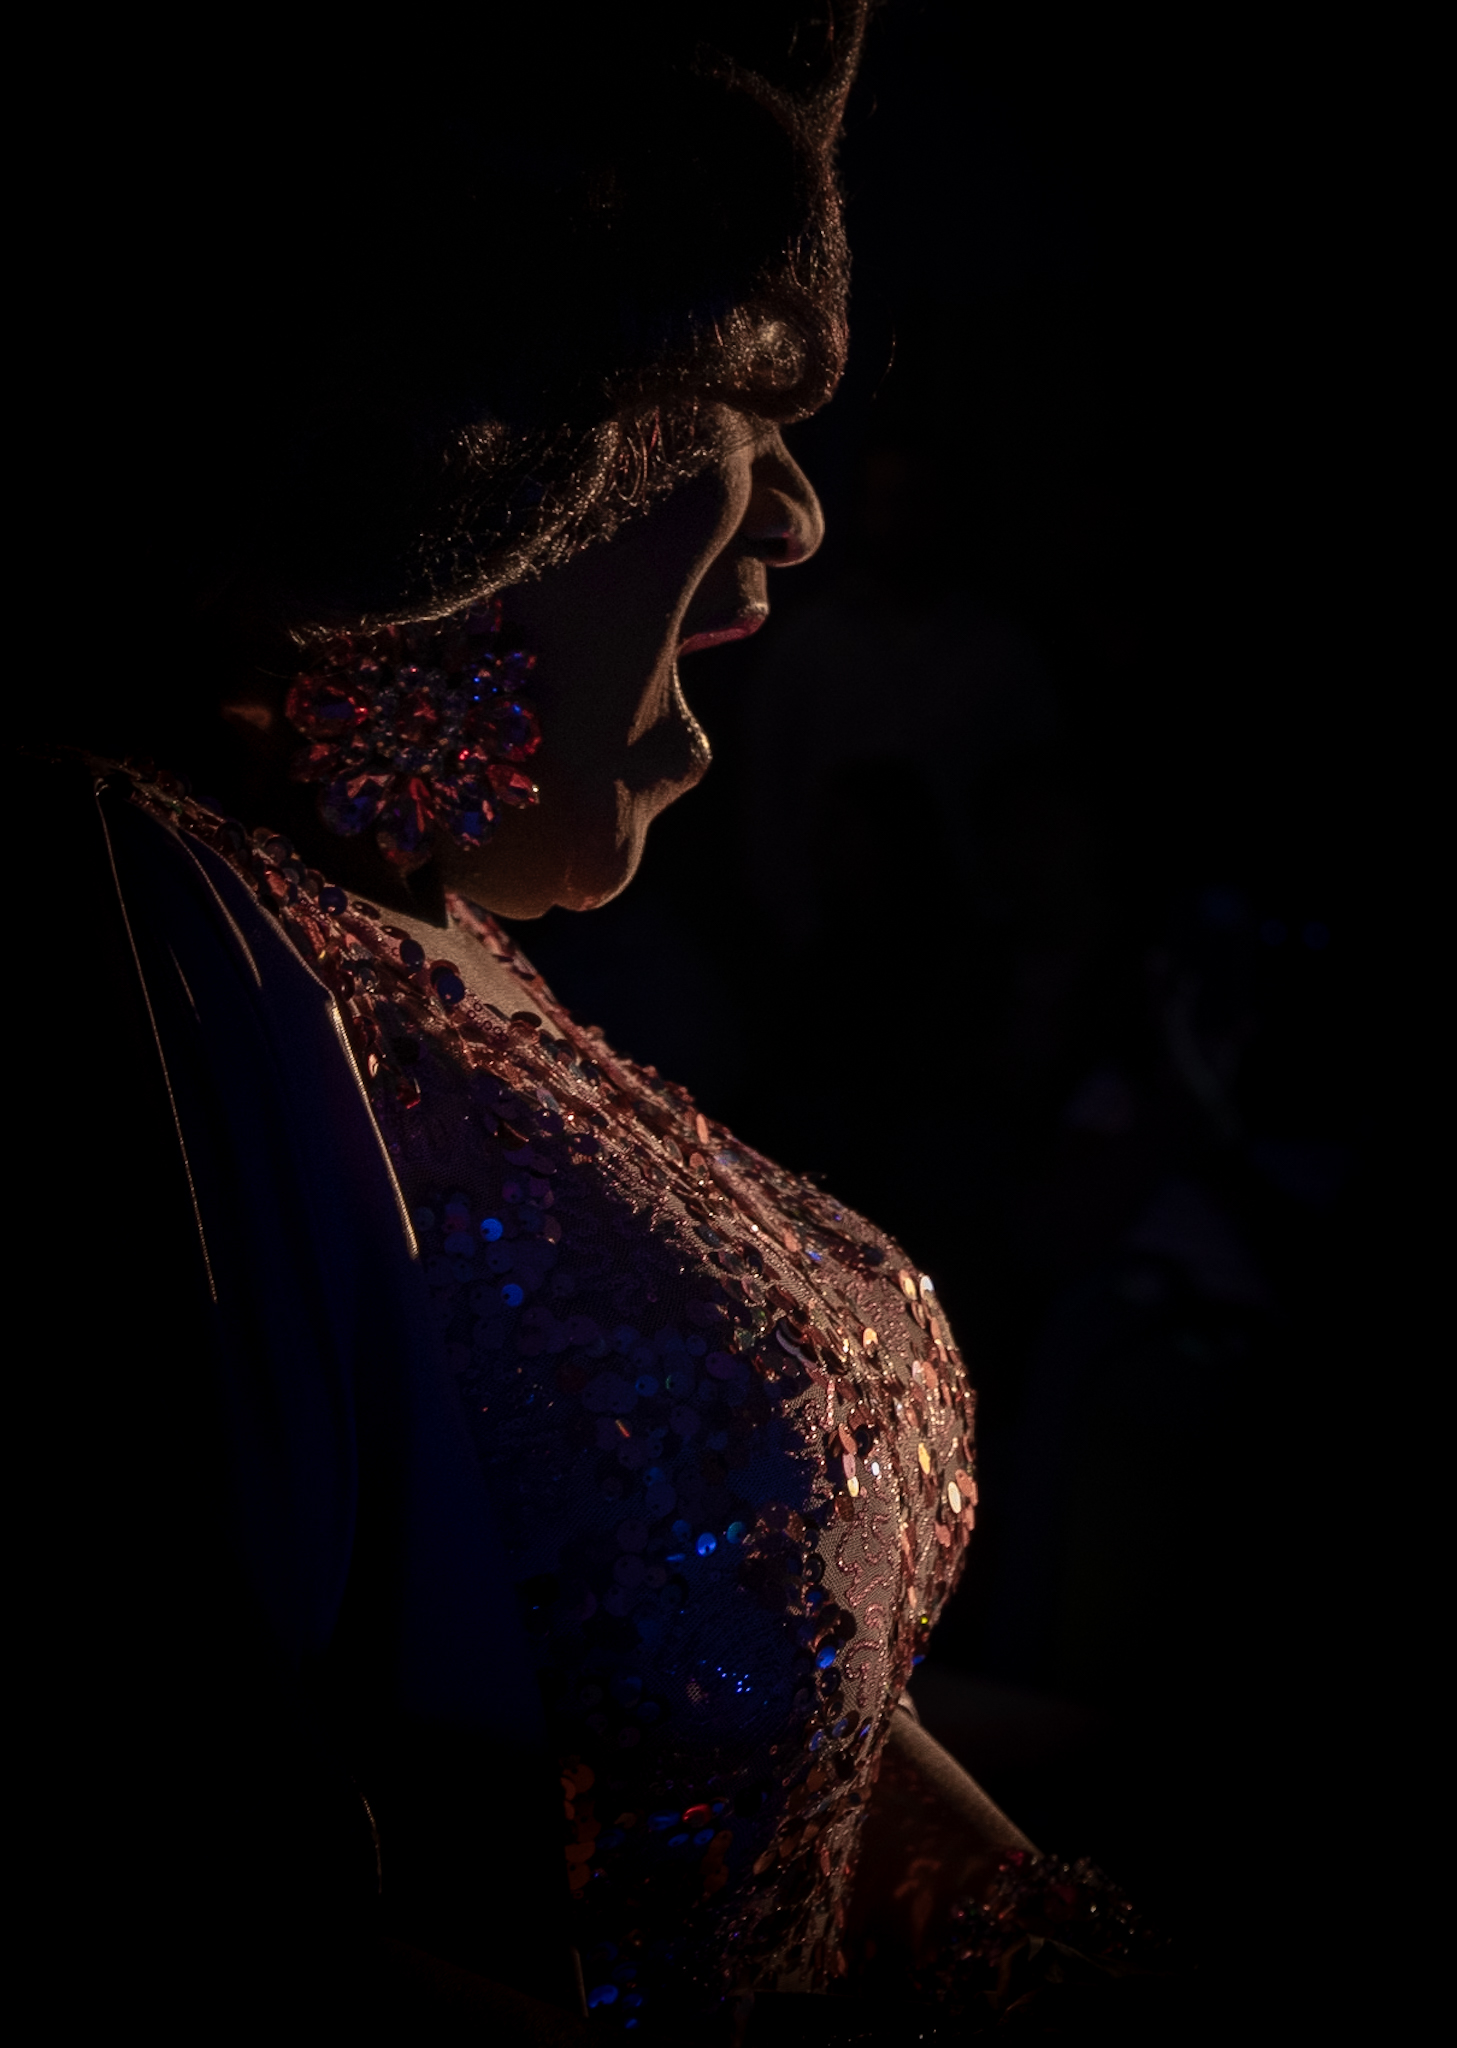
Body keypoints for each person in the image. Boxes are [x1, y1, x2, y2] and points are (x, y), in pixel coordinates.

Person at [21, 9, 1158, 2040]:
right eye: (731, 393)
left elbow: (765, 1721)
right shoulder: (149, 940)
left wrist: (1044, 1951)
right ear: (457, 432)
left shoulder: (427, 934)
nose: (798, 516)